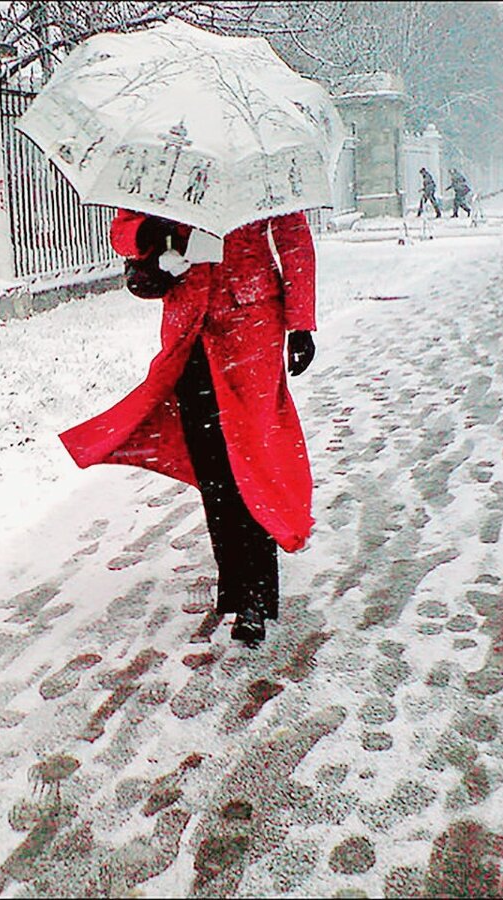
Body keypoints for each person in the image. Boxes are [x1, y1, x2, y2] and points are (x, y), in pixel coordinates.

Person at [60, 210, 317, 646]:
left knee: (250, 456)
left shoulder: (257, 164)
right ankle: (234, 583)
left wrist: (301, 323)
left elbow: (293, 238)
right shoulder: (167, 161)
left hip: (251, 324)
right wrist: (149, 233)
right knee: (211, 462)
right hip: (189, 328)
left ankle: (256, 595)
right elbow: (121, 232)